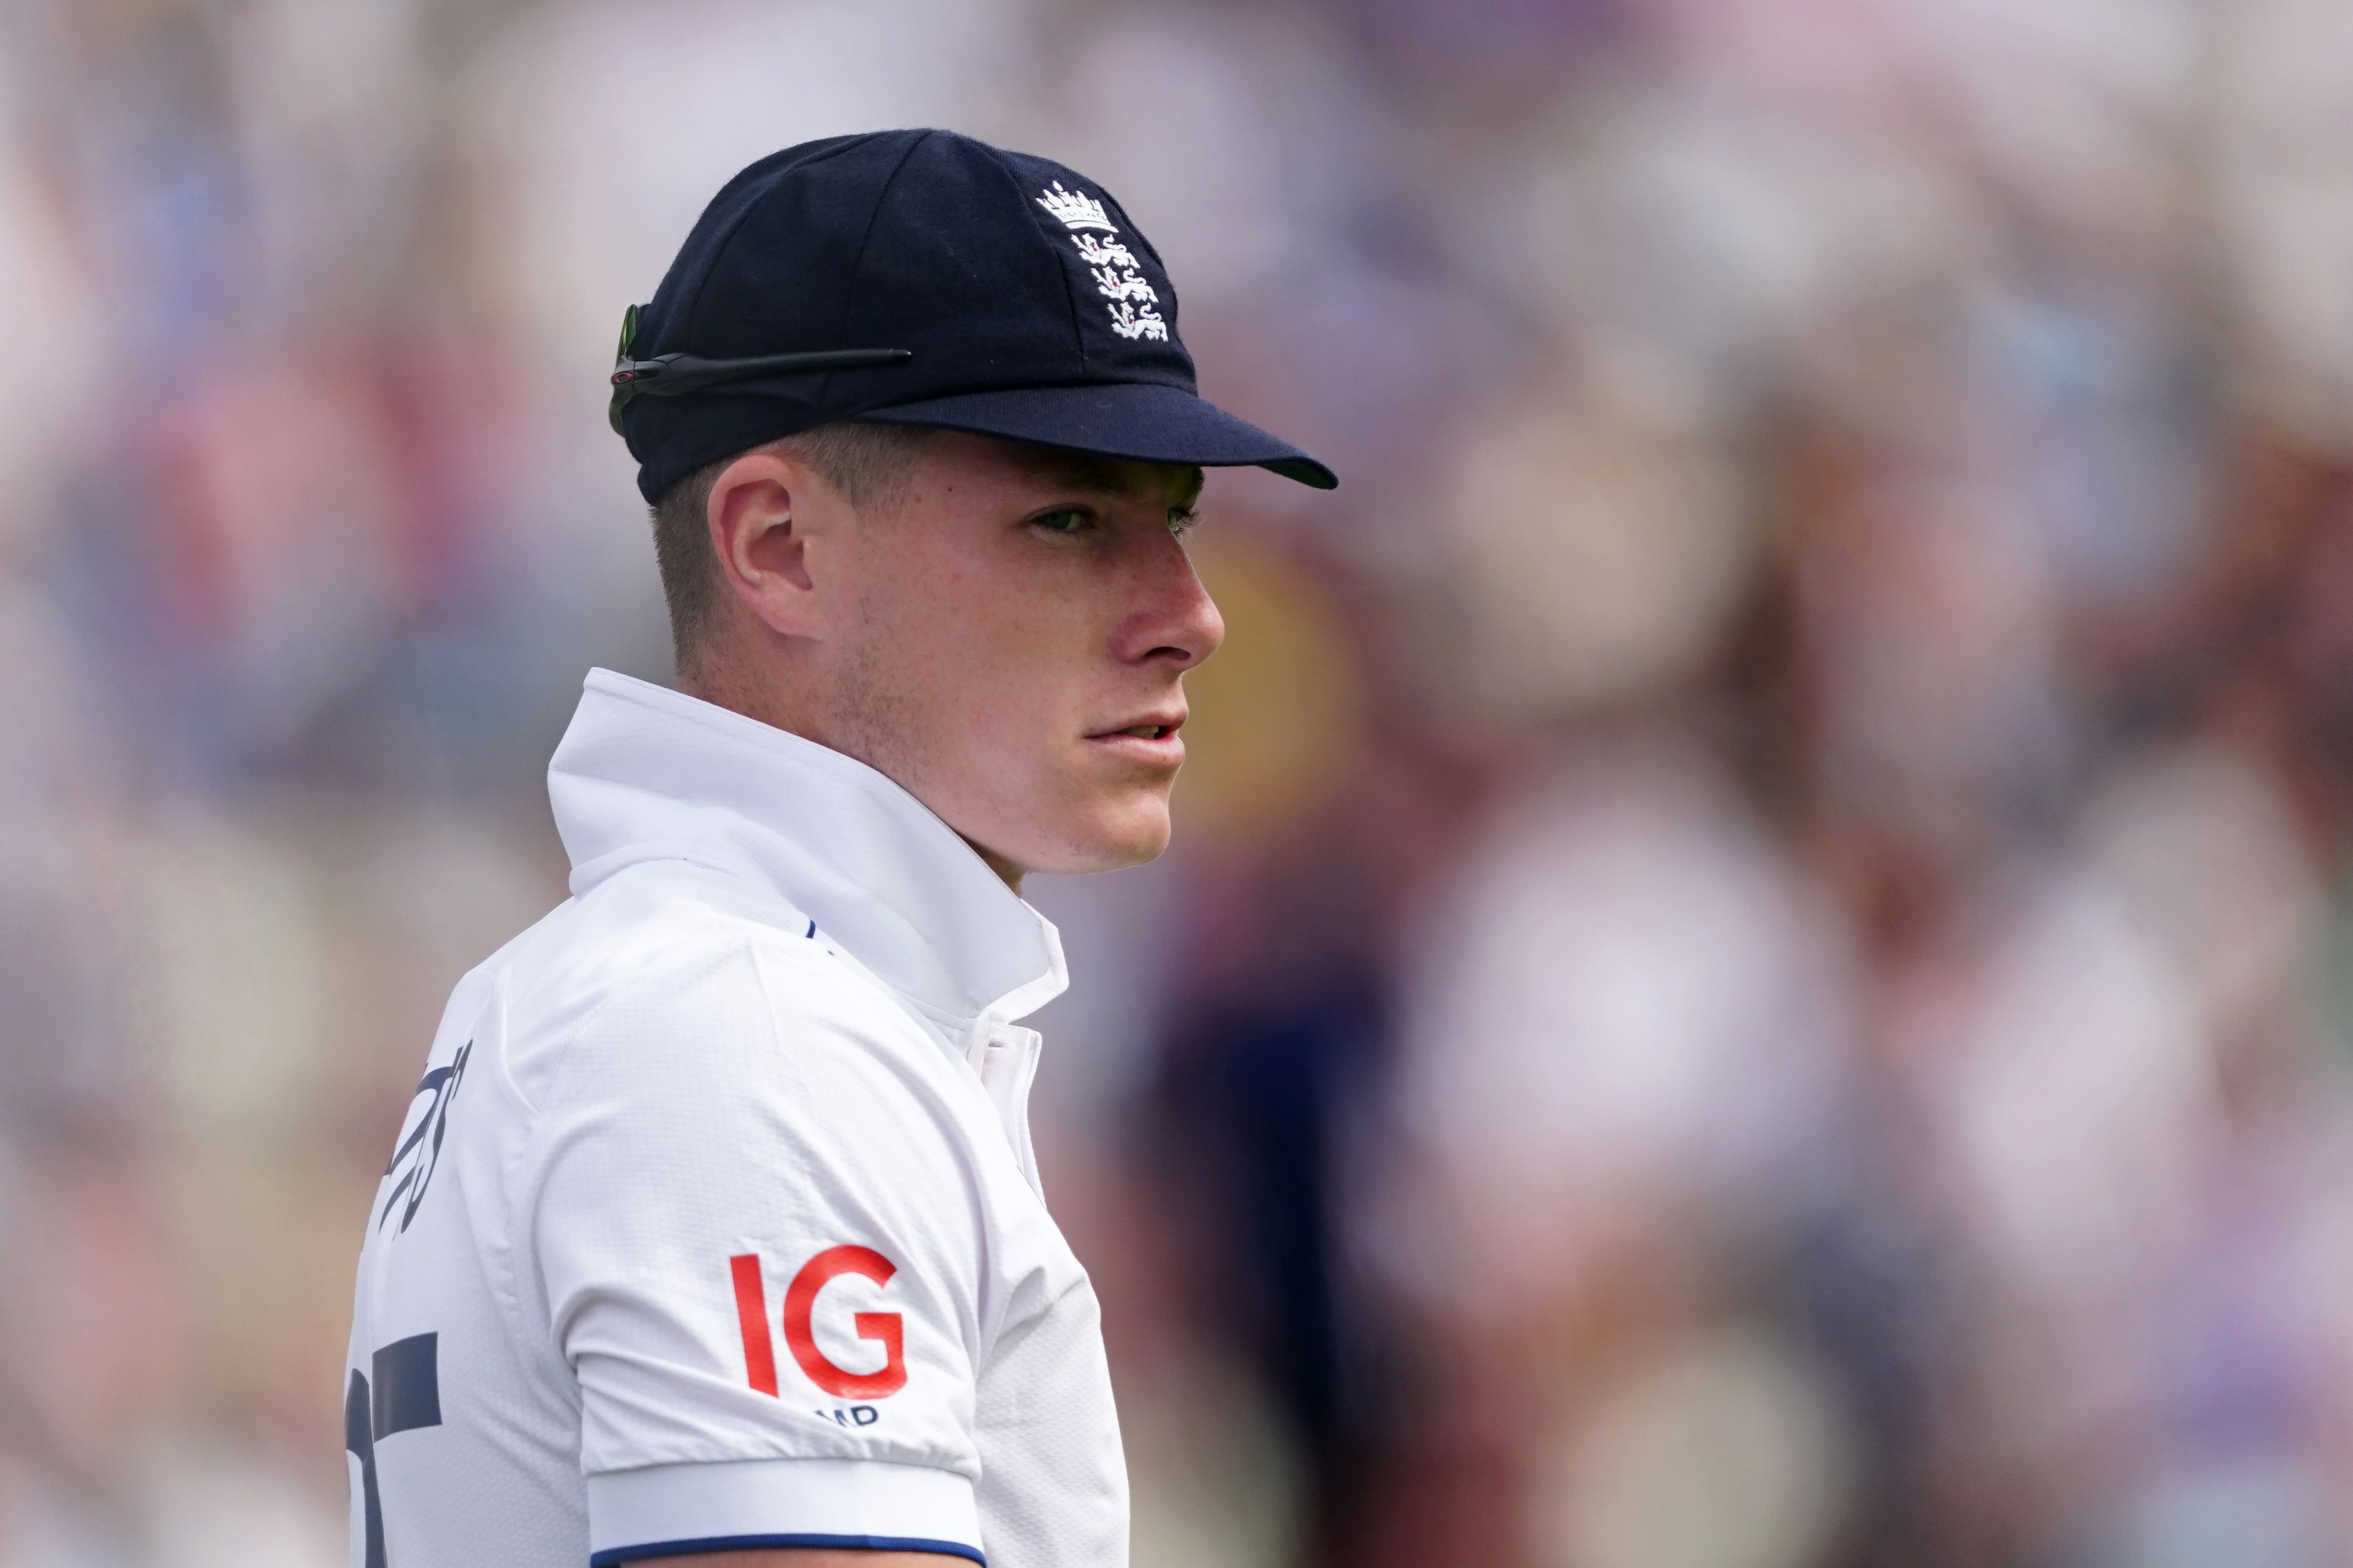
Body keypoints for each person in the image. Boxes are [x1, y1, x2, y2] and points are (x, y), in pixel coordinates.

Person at [340, 129, 1335, 1568]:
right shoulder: (751, 1034)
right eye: (1069, 516)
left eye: (1171, 520)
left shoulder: (641, 995)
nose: (1192, 610)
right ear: (779, 546)